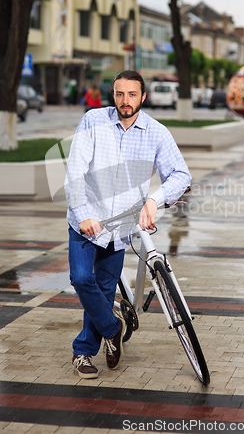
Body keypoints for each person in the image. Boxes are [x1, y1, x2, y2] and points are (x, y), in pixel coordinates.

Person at [64, 70, 191, 379]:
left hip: (120, 227)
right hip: (86, 220)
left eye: (132, 94)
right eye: (120, 94)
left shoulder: (156, 133)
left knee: (106, 289)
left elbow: (181, 175)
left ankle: (83, 352)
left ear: (143, 97)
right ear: (114, 95)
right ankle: (113, 327)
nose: (125, 100)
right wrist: (83, 215)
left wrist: (154, 200)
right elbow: (75, 172)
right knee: (81, 279)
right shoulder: (93, 121)